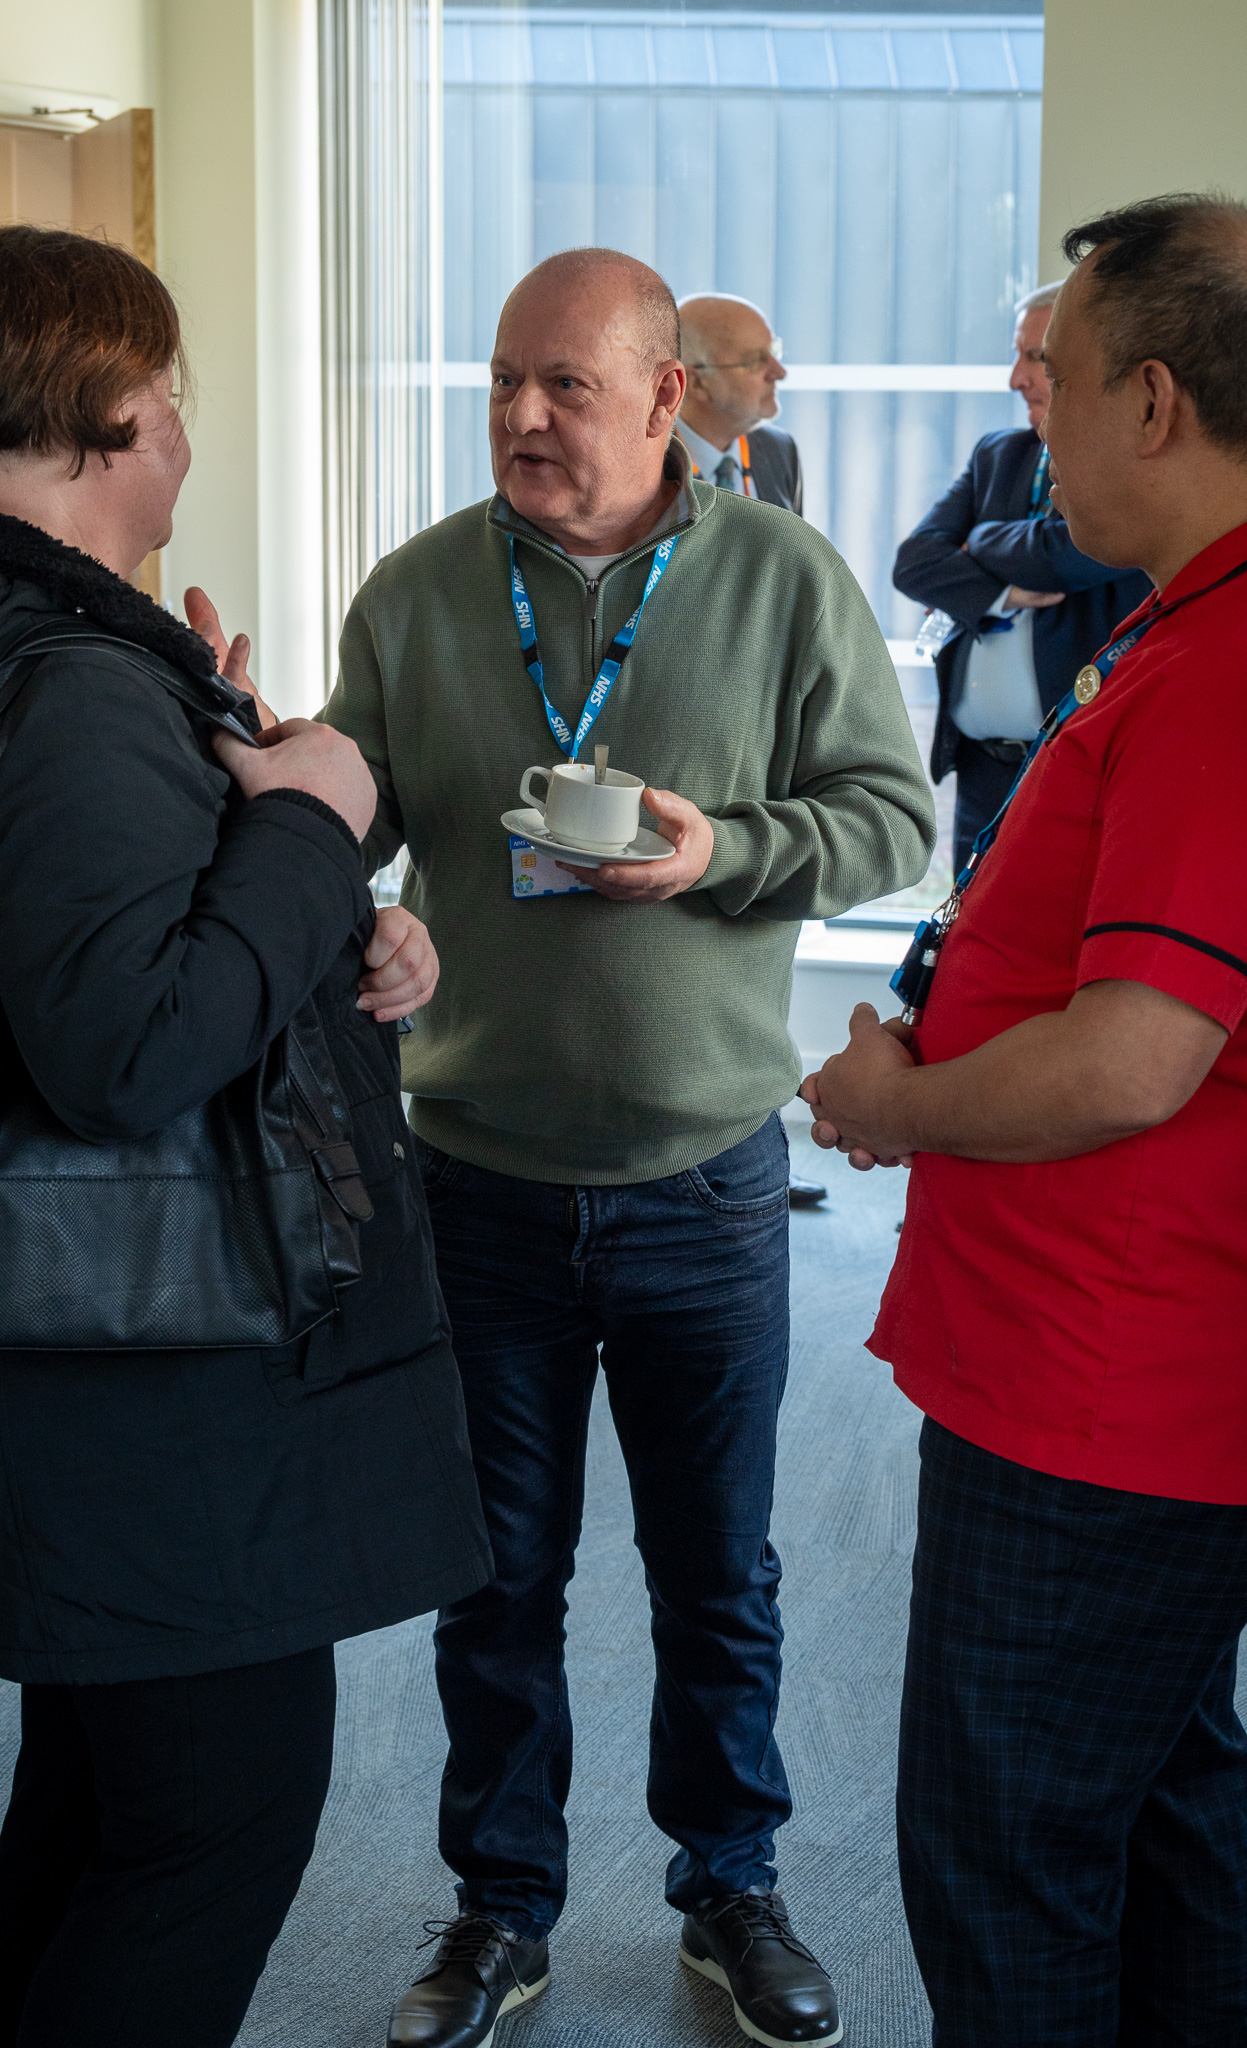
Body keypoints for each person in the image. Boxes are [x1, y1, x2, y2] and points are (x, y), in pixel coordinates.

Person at [322, 244, 935, 2048]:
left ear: (667, 397)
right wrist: (276, 798)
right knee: (494, 1575)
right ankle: (498, 1905)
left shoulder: (781, 576)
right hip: (482, 1171)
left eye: (564, 386)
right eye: (503, 381)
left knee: (716, 1569)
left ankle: (728, 1883)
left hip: (706, 1179)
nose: (520, 415)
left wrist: (718, 854)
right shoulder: (424, 591)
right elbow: (348, 812)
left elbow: (890, 816)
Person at [0, 225, 489, 2048]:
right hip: (152, 1400)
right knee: (206, 1832)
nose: (185, 438)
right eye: (178, 403)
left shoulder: (87, 668)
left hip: (89, 1386)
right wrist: (324, 820)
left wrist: (301, 895)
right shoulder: (70, 685)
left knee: (97, 1815)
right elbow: (128, 1040)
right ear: (118, 416)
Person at [800, 193, 1247, 2043]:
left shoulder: (1221, 668)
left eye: (1047, 377)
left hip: (1105, 1393)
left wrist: (896, 1100)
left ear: (1151, 403)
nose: (1019, 404)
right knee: (1162, 1807)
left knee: (1009, 1855)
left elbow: (1134, 1053)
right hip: (1128, 1375)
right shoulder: (1181, 628)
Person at [893, 281, 1150, 872]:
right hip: (981, 769)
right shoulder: (998, 454)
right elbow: (915, 561)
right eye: (1018, 354)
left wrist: (981, 539)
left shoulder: (1126, 466)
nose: (1016, 378)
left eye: (1036, 358)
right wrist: (1001, 591)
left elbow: (1066, 557)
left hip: (1074, 769)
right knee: (960, 936)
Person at [676, 292, 825, 1209]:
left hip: (769, 752)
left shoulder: (772, 454)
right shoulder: (629, 471)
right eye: (757, 361)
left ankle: (752, 1131)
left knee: (764, 938)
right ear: (687, 381)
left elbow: (799, 587)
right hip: (683, 755)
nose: (779, 375)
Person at [676, 292, 801, 512]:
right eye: (754, 361)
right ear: (696, 383)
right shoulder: (642, 467)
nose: (780, 373)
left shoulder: (779, 450)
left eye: (773, 353)